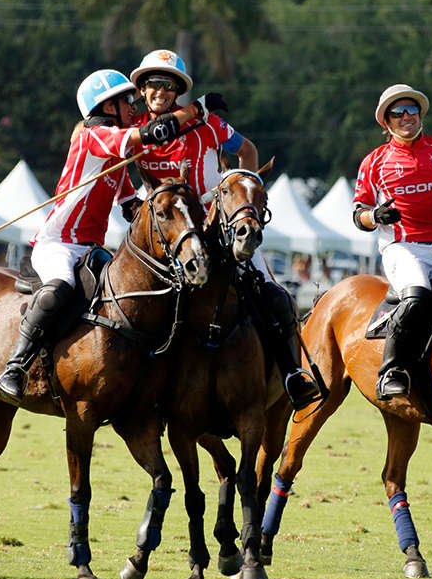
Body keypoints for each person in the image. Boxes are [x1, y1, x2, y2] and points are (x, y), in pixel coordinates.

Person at [0, 68, 203, 404]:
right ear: (107, 107)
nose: (133, 108)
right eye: (126, 102)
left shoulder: (116, 160)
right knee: (59, 290)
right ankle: (15, 367)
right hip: (58, 243)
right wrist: (195, 109)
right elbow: (149, 134)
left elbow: (130, 205)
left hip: (91, 248)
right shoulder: (93, 139)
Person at [128, 48, 321, 411]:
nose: (161, 91)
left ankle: (293, 374)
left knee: (274, 296)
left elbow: (247, 150)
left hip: (217, 227)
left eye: (168, 85)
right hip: (165, 237)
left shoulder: (209, 126)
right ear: (142, 89)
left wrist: (237, 190)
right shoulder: (134, 132)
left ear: (177, 91)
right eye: (154, 83)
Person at [352, 83, 432, 400]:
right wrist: (376, 216)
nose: (406, 117)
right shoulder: (374, 161)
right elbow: (359, 214)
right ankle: (392, 370)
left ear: (419, 114)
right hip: (402, 247)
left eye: (411, 110)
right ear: (387, 122)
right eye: (398, 113)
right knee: (417, 297)